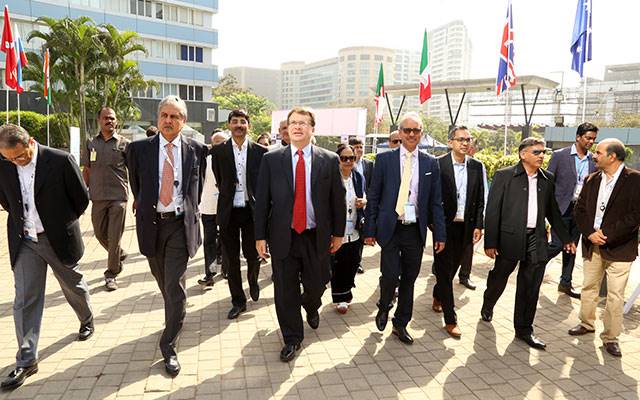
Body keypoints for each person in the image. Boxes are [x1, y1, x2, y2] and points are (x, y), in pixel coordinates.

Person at [0, 124, 94, 390]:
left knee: (71, 284)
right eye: (9, 159)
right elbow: (6, 201)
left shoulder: (60, 160)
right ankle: (27, 359)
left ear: (30, 142)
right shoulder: (4, 164)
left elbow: (81, 199)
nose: (16, 163)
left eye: (20, 156)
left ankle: (86, 318)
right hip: (25, 240)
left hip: (56, 238)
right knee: (25, 299)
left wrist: (59, 221)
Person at [255, 107, 345, 362]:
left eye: (303, 123)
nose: (297, 127)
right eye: (293, 123)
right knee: (285, 290)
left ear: (312, 129)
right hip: (283, 236)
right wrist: (259, 236)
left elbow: (337, 199)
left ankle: (312, 304)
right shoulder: (272, 160)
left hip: (316, 235)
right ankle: (292, 338)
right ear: (287, 128)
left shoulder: (328, 159)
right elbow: (262, 201)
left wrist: (338, 233)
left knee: (318, 282)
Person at [127, 96, 208, 377]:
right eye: (164, 115)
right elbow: (137, 186)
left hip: (180, 225)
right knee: (163, 282)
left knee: (174, 285)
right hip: (151, 225)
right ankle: (174, 315)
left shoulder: (197, 149)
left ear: (184, 121)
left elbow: (195, 190)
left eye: (175, 116)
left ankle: (169, 345)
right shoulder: (138, 149)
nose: (169, 120)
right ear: (158, 118)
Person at [481, 137, 575, 350]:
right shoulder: (505, 176)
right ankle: (489, 302)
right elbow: (493, 211)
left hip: (536, 238)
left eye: (543, 152)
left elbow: (552, 211)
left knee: (531, 284)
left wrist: (566, 238)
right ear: (523, 154)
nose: (542, 155)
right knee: (500, 275)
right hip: (509, 238)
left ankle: (524, 329)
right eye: (536, 152)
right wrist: (491, 242)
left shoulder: (547, 179)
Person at [363, 112, 446, 345]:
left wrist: (439, 233)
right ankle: (384, 305)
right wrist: (369, 229)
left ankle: (400, 323)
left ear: (421, 134)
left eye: (416, 130)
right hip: (390, 227)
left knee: (410, 278)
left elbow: (436, 201)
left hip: (415, 230)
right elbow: (374, 195)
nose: (411, 134)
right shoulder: (385, 160)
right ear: (399, 133)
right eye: (407, 130)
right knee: (389, 276)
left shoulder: (431, 163)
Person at [569, 138, 640, 358]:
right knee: (588, 287)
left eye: (598, 152)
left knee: (615, 295)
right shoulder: (591, 179)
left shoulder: (635, 180)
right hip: (592, 245)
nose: (593, 155)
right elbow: (579, 210)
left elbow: (635, 216)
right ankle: (586, 323)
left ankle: (611, 337)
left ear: (612, 156)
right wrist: (590, 232)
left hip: (620, 248)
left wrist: (607, 236)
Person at [211, 109, 268, 320]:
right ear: (229, 126)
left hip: (251, 211)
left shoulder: (261, 151)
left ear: (248, 126)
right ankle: (238, 300)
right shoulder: (218, 152)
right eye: (234, 122)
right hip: (228, 211)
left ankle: (253, 279)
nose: (238, 125)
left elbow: (263, 183)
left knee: (252, 254)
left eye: (242, 122)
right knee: (231, 259)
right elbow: (219, 177)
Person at [432, 126, 484, 338]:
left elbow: (480, 199)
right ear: (450, 142)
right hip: (444, 226)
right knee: (445, 271)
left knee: (452, 268)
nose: (465, 143)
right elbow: (431, 200)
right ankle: (451, 320)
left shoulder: (476, 166)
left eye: (468, 139)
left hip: (466, 227)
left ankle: (438, 295)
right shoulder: (438, 164)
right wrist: (435, 227)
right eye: (460, 139)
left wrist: (479, 225)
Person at [545, 123, 598, 299]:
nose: (591, 141)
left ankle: (565, 283)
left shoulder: (593, 160)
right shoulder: (560, 156)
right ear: (578, 137)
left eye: (593, 139)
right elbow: (548, 183)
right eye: (588, 138)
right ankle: (535, 263)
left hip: (581, 211)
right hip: (560, 208)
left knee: (571, 247)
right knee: (558, 244)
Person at [81, 107, 130, 291]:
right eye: (105, 118)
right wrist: (83, 191)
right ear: (99, 120)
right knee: (100, 233)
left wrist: (137, 197)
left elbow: (133, 171)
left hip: (119, 197)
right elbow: (87, 169)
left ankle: (111, 274)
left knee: (114, 236)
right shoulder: (90, 143)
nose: (109, 121)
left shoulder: (125, 144)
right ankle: (118, 254)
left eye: (112, 118)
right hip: (98, 197)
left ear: (116, 121)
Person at [331, 144, 366, 314]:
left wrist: (363, 202)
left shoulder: (358, 177)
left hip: (355, 227)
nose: (348, 161)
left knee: (353, 262)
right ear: (338, 160)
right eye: (344, 158)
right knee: (338, 264)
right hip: (336, 230)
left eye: (351, 158)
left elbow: (364, 196)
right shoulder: (331, 178)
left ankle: (347, 289)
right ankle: (341, 298)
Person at [456, 138, 488, 290]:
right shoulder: (443, 163)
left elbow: (482, 194)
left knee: (468, 248)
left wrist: (479, 222)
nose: (467, 147)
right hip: (451, 217)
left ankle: (465, 275)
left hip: (469, 216)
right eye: (462, 142)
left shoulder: (477, 166)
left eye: (470, 144)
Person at [197, 131, 228, 287]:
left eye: (223, 142)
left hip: (226, 208)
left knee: (226, 239)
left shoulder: (232, 160)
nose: (220, 145)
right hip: (207, 207)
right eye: (216, 142)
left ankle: (226, 269)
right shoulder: (205, 161)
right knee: (209, 241)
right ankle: (209, 273)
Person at [349, 137, 373, 274]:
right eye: (356, 147)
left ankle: (357, 262)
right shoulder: (344, 162)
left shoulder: (369, 164)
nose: (359, 149)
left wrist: (366, 200)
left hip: (363, 207)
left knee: (360, 234)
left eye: (361, 146)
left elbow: (373, 187)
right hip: (348, 206)